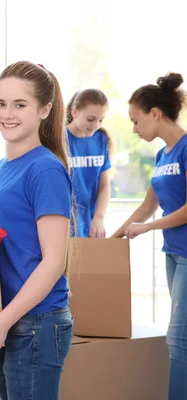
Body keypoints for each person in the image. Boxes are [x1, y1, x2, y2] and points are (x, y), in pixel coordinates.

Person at [0, 61, 73, 399]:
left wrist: (3, 321)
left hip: (33, 322)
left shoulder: (45, 170)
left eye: (19, 105)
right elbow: (1, 239)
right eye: (0, 103)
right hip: (7, 316)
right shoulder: (1, 167)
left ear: (44, 110)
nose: (7, 114)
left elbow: (54, 261)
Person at [111, 73, 187, 399]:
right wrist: (111, 239)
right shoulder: (161, 156)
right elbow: (147, 205)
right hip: (173, 253)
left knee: (178, 339)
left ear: (154, 113)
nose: (134, 129)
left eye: (136, 120)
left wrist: (148, 228)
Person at [66, 89, 112, 237]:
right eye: (91, 119)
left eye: (101, 120)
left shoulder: (101, 139)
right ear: (75, 112)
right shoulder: (58, 139)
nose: (95, 125)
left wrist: (99, 217)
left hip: (91, 224)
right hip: (65, 221)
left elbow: (104, 185)